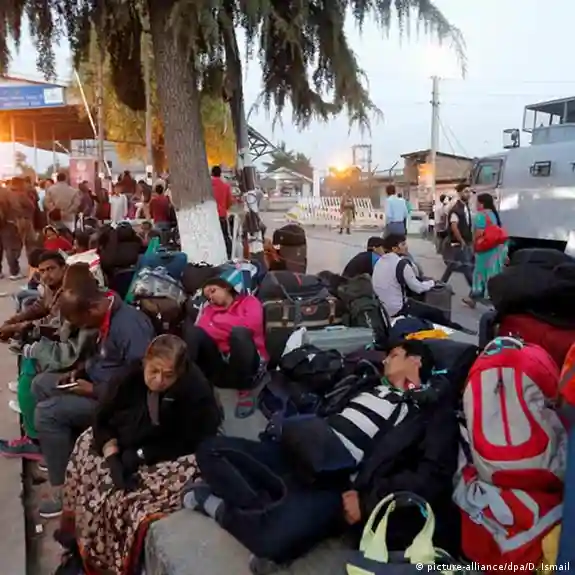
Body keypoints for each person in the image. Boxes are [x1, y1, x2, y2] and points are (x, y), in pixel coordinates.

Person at [184, 340, 460, 566]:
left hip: (337, 483)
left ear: (416, 361)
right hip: (299, 450)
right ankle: (264, 509)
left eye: (395, 355)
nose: (386, 360)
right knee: (211, 450)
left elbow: (431, 475)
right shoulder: (364, 382)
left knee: (273, 543)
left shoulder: (432, 413)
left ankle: (219, 507)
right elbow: (321, 403)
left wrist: (367, 502)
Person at [56, 334, 221, 574]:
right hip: (123, 442)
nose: (159, 380)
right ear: (145, 362)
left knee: (125, 500)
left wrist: (141, 455)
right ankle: (80, 544)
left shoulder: (194, 391)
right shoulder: (129, 377)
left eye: (168, 375)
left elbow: (188, 439)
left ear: (180, 372)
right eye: (154, 371)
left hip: (171, 451)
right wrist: (112, 456)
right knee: (87, 455)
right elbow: (102, 417)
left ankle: (105, 561)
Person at [32, 277, 156, 518]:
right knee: (41, 384)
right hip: (99, 386)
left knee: (47, 413)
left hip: (120, 405)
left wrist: (94, 390)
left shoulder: (130, 327)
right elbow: (103, 358)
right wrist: (80, 372)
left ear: (92, 309)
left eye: (81, 321)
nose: (81, 327)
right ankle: (64, 457)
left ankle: (65, 493)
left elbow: (141, 383)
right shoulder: (105, 315)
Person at [184, 271, 267, 418]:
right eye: (208, 296)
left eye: (213, 291)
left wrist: (217, 324)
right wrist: (227, 328)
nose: (211, 298)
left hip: (247, 367)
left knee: (240, 334)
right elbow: (203, 330)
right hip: (220, 367)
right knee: (194, 332)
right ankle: (186, 383)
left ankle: (245, 392)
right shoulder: (209, 310)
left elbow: (252, 326)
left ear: (226, 287)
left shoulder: (249, 302)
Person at [0, 250, 66, 341]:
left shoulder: (69, 288)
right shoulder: (51, 285)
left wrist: (16, 327)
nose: (46, 275)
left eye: (50, 269)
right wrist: (12, 320)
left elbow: (52, 321)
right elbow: (38, 307)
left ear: (63, 268)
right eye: (42, 271)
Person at [372, 234, 435, 318]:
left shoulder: (379, 261)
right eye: (403, 244)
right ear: (394, 249)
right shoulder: (401, 264)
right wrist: (431, 283)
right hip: (396, 309)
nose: (406, 247)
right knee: (434, 313)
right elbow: (418, 288)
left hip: (381, 308)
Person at [464, 193, 508, 309]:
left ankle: (482, 299)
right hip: (494, 248)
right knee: (490, 273)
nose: (476, 204)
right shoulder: (493, 214)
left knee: (479, 274)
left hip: (484, 249)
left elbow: (479, 233)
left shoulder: (480, 216)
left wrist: (474, 245)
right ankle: (473, 299)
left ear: (482, 204)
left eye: (477, 202)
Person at [440, 182, 474, 290]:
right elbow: (454, 227)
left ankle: (441, 284)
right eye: (466, 192)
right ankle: (475, 290)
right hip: (459, 242)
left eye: (469, 192)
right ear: (459, 193)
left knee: (452, 265)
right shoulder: (456, 209)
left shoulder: (465, 207)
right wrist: (461, 241)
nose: (468, 194)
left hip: (465, 241)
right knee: (467, 265)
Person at [211, 166, 234, 259]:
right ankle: (228, 255)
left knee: (212, 237)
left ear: (212, 173)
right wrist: (224, 208)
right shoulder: (226, 186)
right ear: (220, 174)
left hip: (210, 216)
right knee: (225, 236)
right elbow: (230, 202)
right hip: (221, 215)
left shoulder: (207, 186)